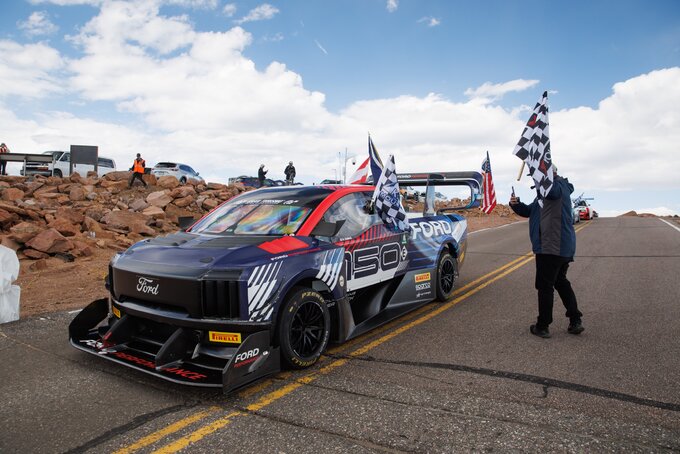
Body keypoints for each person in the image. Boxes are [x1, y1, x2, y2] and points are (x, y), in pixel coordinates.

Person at [509, 165, 584, 338]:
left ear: (548, 174)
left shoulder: (554, 187)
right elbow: (530, 211)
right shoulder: (545, 194)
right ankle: (575, 320)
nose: (534, 179)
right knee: (560, 282)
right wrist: (516, 205)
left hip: (551, 247)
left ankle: (543, 325)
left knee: (545, 286)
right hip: (560, 247)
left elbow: (552, 191)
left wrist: (541, 172)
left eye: (535, 175)